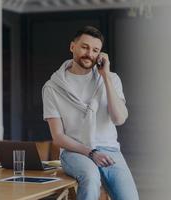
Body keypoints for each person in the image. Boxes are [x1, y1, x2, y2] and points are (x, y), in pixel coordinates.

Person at [42, 26, 139, 200]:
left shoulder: (111, 79)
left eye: (95, 50)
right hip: (74, 152)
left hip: (110, 150)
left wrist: (106, 77)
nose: (89, 54)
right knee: (90, 176)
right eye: (85, 47)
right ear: (72, 47)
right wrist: (91, 153)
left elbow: (119, 118)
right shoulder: (52, 87)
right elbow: (58, 137)